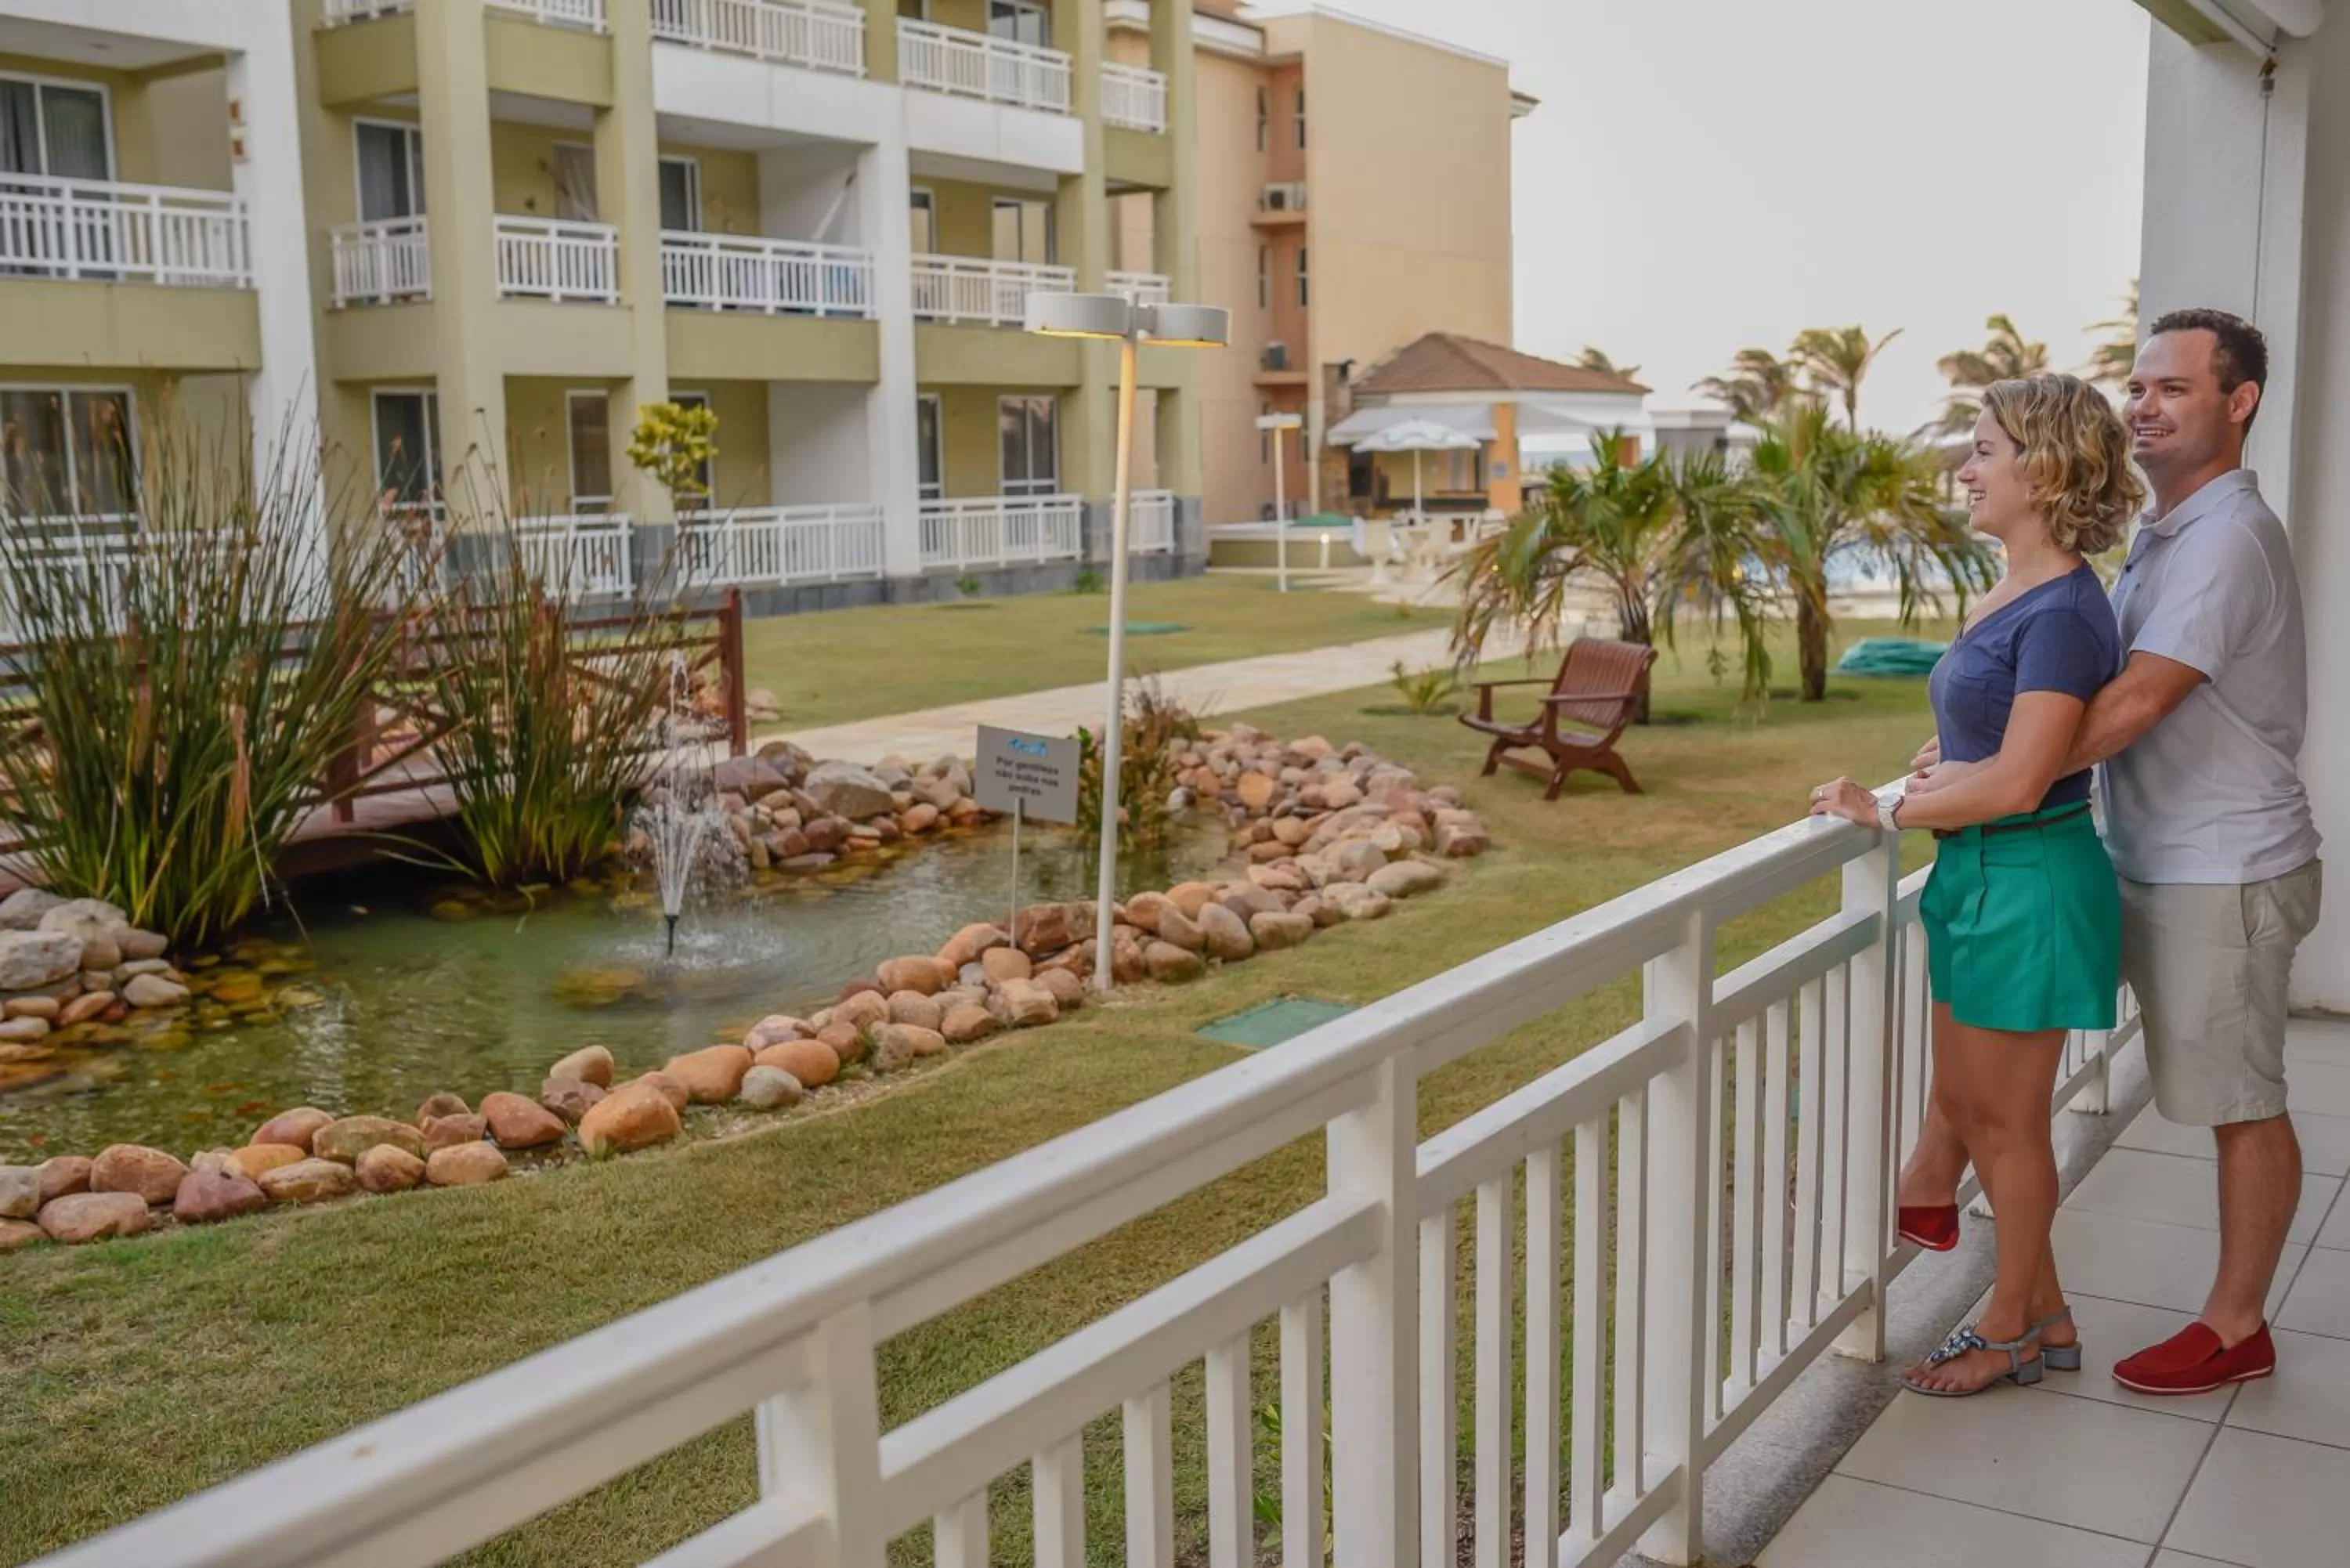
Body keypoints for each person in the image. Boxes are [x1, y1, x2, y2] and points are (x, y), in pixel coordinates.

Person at [1901, 309, 2323, 1396]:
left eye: (2174, 388)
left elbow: (2133, 699)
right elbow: (2064, 687)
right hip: (2145, 848)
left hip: (2220, 864)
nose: (2145, 404)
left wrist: (1998, 771)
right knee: (2017, 1090)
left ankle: (2235, 1324)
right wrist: (1994, 750)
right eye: (2138, 387)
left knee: (2237, 1098)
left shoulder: (2227, 540)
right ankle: (2024, 1295)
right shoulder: (2166, 538)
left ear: (2240, 403)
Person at [1810, 374, 2138, 1396]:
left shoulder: (2067, 613)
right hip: (1976, 873)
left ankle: (2005, 1324)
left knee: (2008, 1119)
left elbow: (2022, 776)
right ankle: (2049, 1315)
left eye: (1985, 451)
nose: (1965, 469)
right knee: (1963, 1099)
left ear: (2043, 468)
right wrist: (1940, 754)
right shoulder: (2009, 590)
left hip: (2031, 877)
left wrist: (1890, 808)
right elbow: (1992, 732)